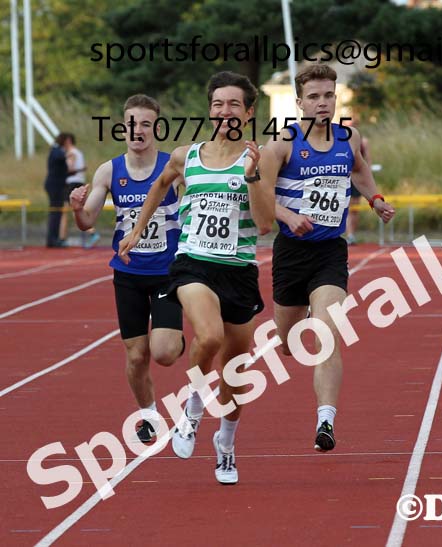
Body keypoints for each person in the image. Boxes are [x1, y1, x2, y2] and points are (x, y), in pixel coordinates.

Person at [119, 72, 277, 484]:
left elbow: (263, 225)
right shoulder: (185, 156)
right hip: (193, 263)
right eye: (218, 104)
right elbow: (158, 186)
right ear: (210, 109)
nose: (226, 111)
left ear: (248, 111)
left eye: (234, 105)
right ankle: (191, 411)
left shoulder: (254, 158)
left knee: (235, 375)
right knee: (207, 337)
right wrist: (137, 229)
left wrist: (254, 176)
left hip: (239, 270)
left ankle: (225, 445)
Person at [260, 64, 394, 451]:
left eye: (328, 95)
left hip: (330, 252)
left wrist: (376, 199)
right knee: (288, 344)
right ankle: (292, 324)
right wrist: (288, 215)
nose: (322, 103)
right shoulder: (281, 144)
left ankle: (325, 421)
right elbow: (260, 198)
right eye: (314, 97)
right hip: (291, 252)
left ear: (336, 98)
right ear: (299, 102)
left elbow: (361, 172)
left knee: (328, 332)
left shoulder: (348, 138)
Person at [71, 95, 186, 444]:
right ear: (124, 127)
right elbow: (87, 221)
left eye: (146, 124)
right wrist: (77, 207)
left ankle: (175, 338)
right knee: (136, 356)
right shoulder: (109, 170)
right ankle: (149, 414)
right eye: (133, 123)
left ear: (156, 128)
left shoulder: (174, 166)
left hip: (167, 272)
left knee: (163, 352)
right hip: (129, 275)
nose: (139, 130)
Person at [62, 134, 99, 248]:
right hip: (79, 182)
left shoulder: (71, 153)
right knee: (78, 210)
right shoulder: (78, 152)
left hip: (72, 183)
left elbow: (70, 168)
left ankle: (91, 233)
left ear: (67, 141)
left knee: (71, 211)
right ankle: (64, 237)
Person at [345, 117, 371, 245]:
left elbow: (367, 161)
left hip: (357, 178)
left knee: (355, 209)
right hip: (345, 177)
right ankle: (348, 234)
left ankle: (352, 234)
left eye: (353, 124)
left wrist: (367, 178)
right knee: (347, 208)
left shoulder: (363, 141)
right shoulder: (339, 139)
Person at [44, 133, 69, 248]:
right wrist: (69, 153)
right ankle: (52, 239)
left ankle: (54, 237)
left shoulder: (57, 151)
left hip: (58, 184)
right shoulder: (56, 150)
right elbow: (60, 157)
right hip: (54, 185)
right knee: (55, 212)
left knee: (57, 212)